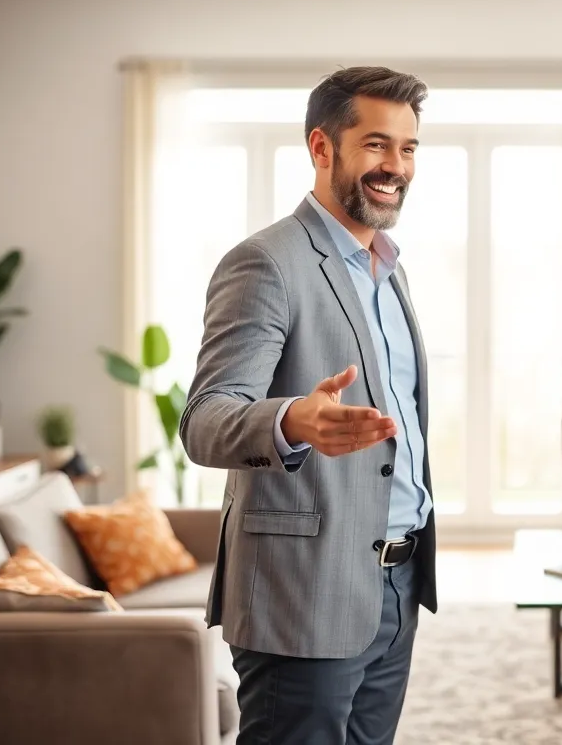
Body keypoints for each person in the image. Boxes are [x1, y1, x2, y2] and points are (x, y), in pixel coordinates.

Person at [179, 65, 435, 745]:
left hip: (396, 580)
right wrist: (293, 419)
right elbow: (204, 420)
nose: (396, 166)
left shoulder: (389, 268)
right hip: (304, 590)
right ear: (322, 148)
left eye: (408, 148)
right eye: (377, 144)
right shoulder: (266, 262)